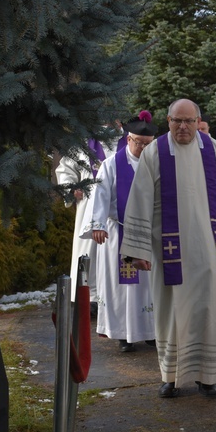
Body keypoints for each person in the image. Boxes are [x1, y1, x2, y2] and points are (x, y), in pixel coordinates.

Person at [120, 99, 216, 399]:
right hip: (170, 253)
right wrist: (138, 249)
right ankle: (170, 376)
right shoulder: (154, 153)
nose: (182, 127)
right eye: (176, 121)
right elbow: (139, 201)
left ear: (198, 121)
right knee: (170, 313)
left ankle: (208, 376)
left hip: (210, 250)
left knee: (209, 311)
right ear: (167, 120)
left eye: (189, 121)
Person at [80, 111, 157, 352]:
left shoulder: (156, 163)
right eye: (139, 143)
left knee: (148, 285)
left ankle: (151, 331)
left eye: (148, 144)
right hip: (118, 233)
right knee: (122, 287)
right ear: (129, 138)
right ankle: (124, 335)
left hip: (147, 233)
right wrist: (98, 225)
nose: (143, 148)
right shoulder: (111, 164)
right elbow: (100, 195)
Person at [56, 122, 124, 311]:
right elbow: (65, 170)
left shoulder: (131, 140)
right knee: (89, 252)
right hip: (90, 205)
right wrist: (71, 189)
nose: (112, 121)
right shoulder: (83, 143)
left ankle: (118, 297)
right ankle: (89, 298)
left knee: (118, 251)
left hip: (121, 207)